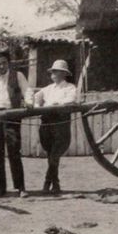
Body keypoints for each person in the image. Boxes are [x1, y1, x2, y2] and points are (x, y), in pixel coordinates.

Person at [0, 50, 32, 198]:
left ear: (8, 63)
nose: (1, 66)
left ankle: (21, 187)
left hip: (12, 115)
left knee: (14, 152)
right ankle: (1, 188)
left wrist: (29, 102)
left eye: (3, 63)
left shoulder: (17, 75)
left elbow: (27, 90)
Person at [34, 59, 77, 194]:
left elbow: (71, 101)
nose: (53, 73)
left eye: (56, 71)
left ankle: (49, 182)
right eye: (52, 71)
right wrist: (37, 106)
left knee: (54, 155)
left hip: (60, 123)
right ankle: (55, 183)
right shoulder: (47, 89)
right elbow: (36, 98)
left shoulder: (70, 88)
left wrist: (57, 104)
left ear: (64, 74)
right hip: (46, 123)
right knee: (50, 154)